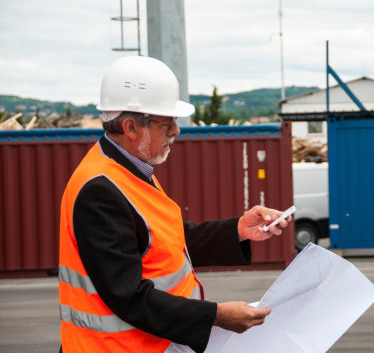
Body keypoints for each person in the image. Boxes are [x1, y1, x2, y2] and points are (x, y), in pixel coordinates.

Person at [58, 56, 292, 353]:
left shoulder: (129, 170)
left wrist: (238, 230)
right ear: (131, 127)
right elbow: (128, 295)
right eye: (167, 123)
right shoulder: (99, 191)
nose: (176, 132)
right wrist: (216, 316)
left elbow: (165, 241)